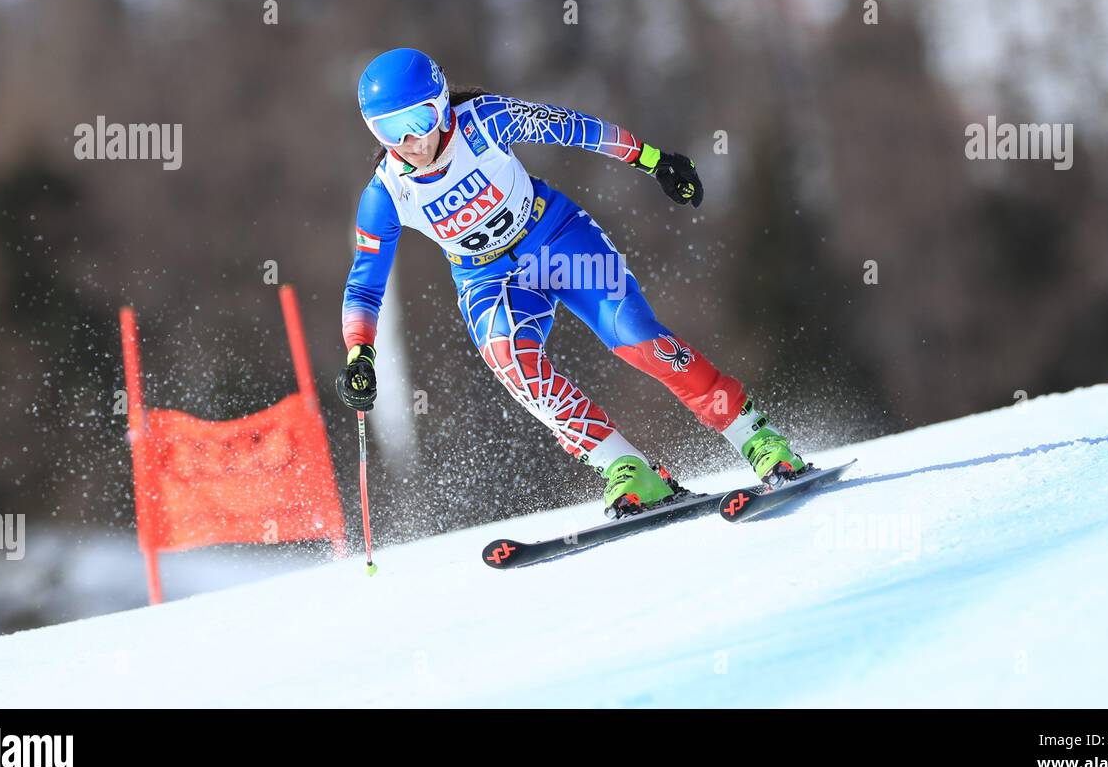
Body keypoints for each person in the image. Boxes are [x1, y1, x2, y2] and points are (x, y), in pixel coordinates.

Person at [336, 47, 808, 517]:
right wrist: (361, 352)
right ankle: (626, 467)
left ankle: (758, 438)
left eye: (419, 120)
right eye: (390, 130)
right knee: (513, 364)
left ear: (440, 104)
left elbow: (573, 127)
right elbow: (364, 284)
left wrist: (653, 160)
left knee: (636, 338)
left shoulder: (484, 121)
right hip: (487, 277)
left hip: (556, 239)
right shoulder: (385, 194)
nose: (411, 141)